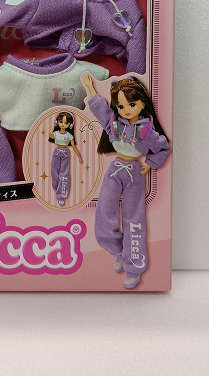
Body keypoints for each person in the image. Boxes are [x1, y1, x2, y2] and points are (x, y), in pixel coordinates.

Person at [83, 75, 170, 288]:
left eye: (131, 104)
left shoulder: (147, 132)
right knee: (104, 209)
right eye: (121, 106)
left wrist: (151, 163)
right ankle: (118, 249)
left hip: (135, 174)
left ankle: (134, 267)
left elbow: (163, 147)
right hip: (115, 170)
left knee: (134, 218)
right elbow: (101, 111)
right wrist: (90, 88)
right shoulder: (115, 124)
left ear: (142, 103)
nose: (126, 110)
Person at [48, 111, 83, 206]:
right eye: (60, 122)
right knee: (54, 172)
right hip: (56, 152)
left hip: (65, 153)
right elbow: (50, 134)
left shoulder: (69, 135)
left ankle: (61, 196)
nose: (63, 124)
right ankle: (57, 189)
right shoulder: (55, 133)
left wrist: (79, 157)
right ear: (57, 122)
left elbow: (74, 147)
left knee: (64, 173)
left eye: (66, 122)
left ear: (70, 125)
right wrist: (53, 125)